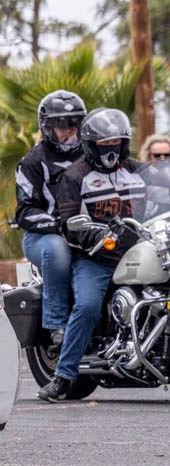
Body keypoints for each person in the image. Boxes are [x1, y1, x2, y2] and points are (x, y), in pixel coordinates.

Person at [39, 109, 170, 401]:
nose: (111, 151)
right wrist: (94, 233)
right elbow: (68, 222)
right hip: (97, 257)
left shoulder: (138, 170)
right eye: (104, 145)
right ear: (91, 145)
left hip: (142, 247)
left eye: (117, 144)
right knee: (88, 306)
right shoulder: (75, 176)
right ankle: (63, 377)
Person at [13, 90, 88, 343]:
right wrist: (59, 226)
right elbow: (24, 212)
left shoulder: (92, 155)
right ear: (47, 127)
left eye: (75, 123)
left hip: (88, 231)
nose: (70, 130)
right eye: (62, 125)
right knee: (58, 250)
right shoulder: (33, 161)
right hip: (43, 237)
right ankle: (57, 324)